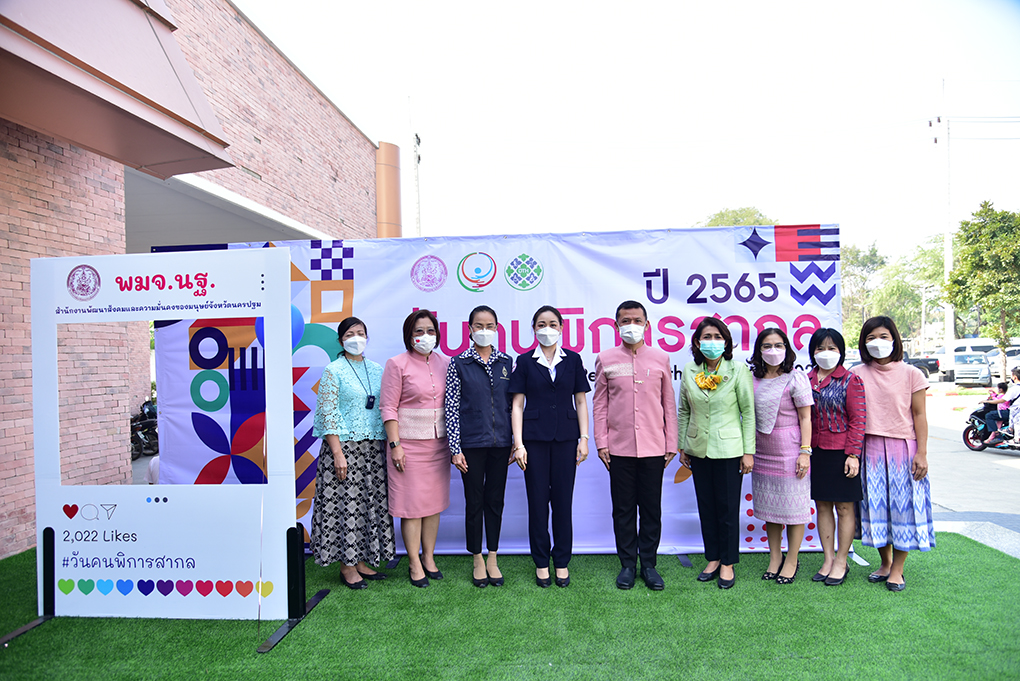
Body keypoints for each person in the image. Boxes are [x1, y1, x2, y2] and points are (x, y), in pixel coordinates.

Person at [593, 300, 677, 591]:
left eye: (637, 320)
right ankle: (628, 564)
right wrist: (601, 442)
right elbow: (600, 404)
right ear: (616, 325)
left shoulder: (660, 358)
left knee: (651, 509)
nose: (632, 325)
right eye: (625, 321)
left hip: (654, 447)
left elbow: (668, 403)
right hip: (619, 448)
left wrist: (671, 442)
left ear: (647, 324)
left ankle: (649, 564)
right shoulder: (605, 358)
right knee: (623, 509)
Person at [510, 305, 592, 588]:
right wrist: (518, 444)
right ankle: (541, 562)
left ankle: (562, 561)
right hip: (533, 441)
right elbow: (517, 405)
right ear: (534, 328)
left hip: (566, 439)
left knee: (562, 503)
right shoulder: (524, 361)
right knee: (537, 504)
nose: (547, 329)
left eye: (553, 324)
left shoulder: (573, 359)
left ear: (561, 328)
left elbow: (580, 400)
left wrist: (584, 438)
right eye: (541, 324)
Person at [311, 316, 395, 589]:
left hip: (373, 448)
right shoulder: (333, 370)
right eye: (350, 334)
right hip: (344, 448)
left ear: (367, 338)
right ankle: (346, 567)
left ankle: (360, 561)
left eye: (360, 333)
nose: (356, 338)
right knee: (346, 507)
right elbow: (328, 412)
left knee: (366, 506)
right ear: (340, 341)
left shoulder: (377, 369)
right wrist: (337, 453)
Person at [850, 316, 934, 592]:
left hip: (903, 449)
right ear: (863, 343)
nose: (878, 342)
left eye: (884, 336)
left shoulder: (912, 374)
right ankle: (885, 563)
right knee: (875, 508)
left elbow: (919, 415)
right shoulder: (856, 373)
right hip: (868, 449)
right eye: (871, 337)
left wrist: (922, 453)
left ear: (895, 339)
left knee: (902, 510)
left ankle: (898, 569)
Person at [678, 317, 755, 590]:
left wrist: (748, 452)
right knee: (707, 507)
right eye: (707, 337)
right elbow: (684, 410)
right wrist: (682, 445)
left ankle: (728, 562)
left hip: (730, 450)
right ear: (697, 342)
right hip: (698, 449)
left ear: (726, 341)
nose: (712, 342)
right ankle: (712, 557)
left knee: (727, 509)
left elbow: (748, 412)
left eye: (717, 337)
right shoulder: (689, 369)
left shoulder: (738, 369)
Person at [381, 309, 451, 588]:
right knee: (412, 507)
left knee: (433, 505)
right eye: (419, 331)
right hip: (407, 447)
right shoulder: (396, 364)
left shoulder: (446, 363)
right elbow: (388, 407)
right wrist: (395, 445)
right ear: (409, 335)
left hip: (438, 445)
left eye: (430, 331)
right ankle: (413, 561)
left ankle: (429, 557)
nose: (425, 336)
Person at [444, 305, 513, 587]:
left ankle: (493, 556)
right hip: (470, 444)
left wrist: (515, 442)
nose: (484, 330)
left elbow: (513, 405)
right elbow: (450, 407)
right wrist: (455, 448)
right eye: (479, 326)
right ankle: (476, 557)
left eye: (490, 326)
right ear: (470, 329)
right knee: (474, 502)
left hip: (501, 444)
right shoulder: (459, 363)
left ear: (497, 329)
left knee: (495, 500)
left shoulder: (506, 361)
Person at [749, 327, 813, 585]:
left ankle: (792, 560)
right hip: (761, 451)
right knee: (770, 508)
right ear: (759, 350)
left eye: (778, 345)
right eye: (767, 345)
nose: (772, 350)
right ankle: (774, 557)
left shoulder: (796, 378)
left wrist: (805, 452)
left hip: (790, 450)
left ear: (787, 348)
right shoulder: (752, 378)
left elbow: (806, 417)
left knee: (794, 509)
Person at [806, 328, 866, 586]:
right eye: (820, 348)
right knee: (822, 506)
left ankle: (842, 560)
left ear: (840, 352)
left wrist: (853, 454)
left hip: (842, 453)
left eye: (831, 348)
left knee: (844, 507)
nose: (826, 353)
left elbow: (858, 420)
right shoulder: (806, 379)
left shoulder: (851, 380)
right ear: (812, 352)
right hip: (816, 451)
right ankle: (828, 559)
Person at [983, 372, 1020, 445]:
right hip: (1014, 412)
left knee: (989, 416)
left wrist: (987, 401)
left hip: (1013, 411)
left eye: (1012, 376)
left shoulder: (1014, 389)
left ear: (1015, 377)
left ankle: (998, 435)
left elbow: (1002, 400)